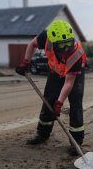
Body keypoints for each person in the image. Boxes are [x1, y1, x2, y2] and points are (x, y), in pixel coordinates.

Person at [15, 20, 86, 155]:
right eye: (62, 46)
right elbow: (32, 44)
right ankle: (42, 134)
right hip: (55, 72)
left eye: (68, 44)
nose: (66, 49)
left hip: (74, 75)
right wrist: (25, 62)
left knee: (75, 104)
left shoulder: (76, 54)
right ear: (52, 42)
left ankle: (76, 141)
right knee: (48, 101)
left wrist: (59, 104)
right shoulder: (44, 37)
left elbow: (68, 83)